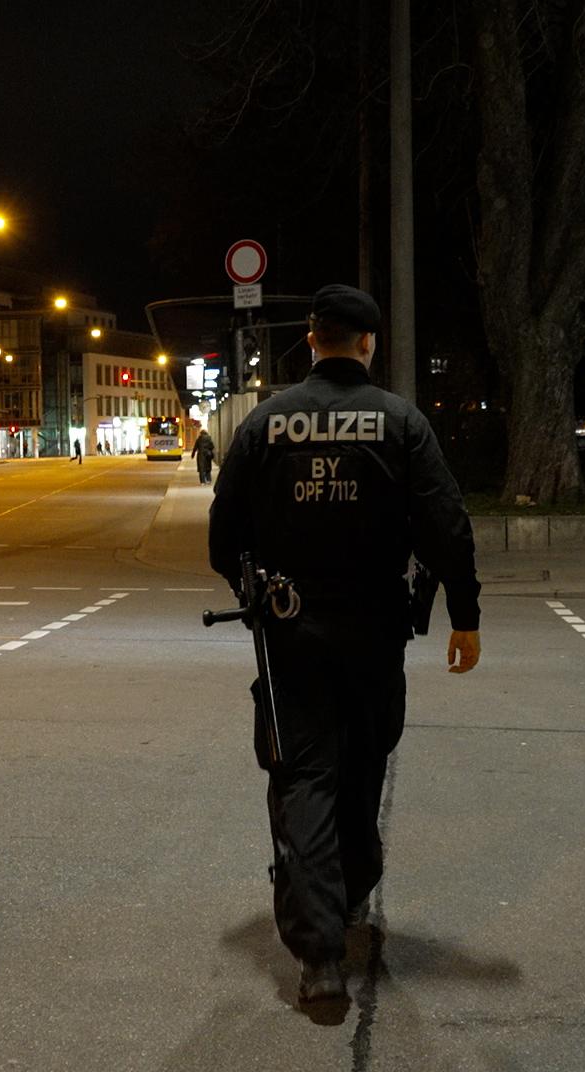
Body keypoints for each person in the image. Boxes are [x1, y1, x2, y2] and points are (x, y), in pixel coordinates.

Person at [208, 283, 484, 1005]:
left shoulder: (267, 422)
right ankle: (350, 895)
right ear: (368, 343)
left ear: (310, 337)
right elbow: (447, 525)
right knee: (363, 763)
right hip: (374, 628)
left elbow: (221, 534)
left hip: (292, 628)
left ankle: (319, 955)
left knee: (304, 775)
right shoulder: (399, 422)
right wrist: (465, 613)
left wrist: (255, 589)